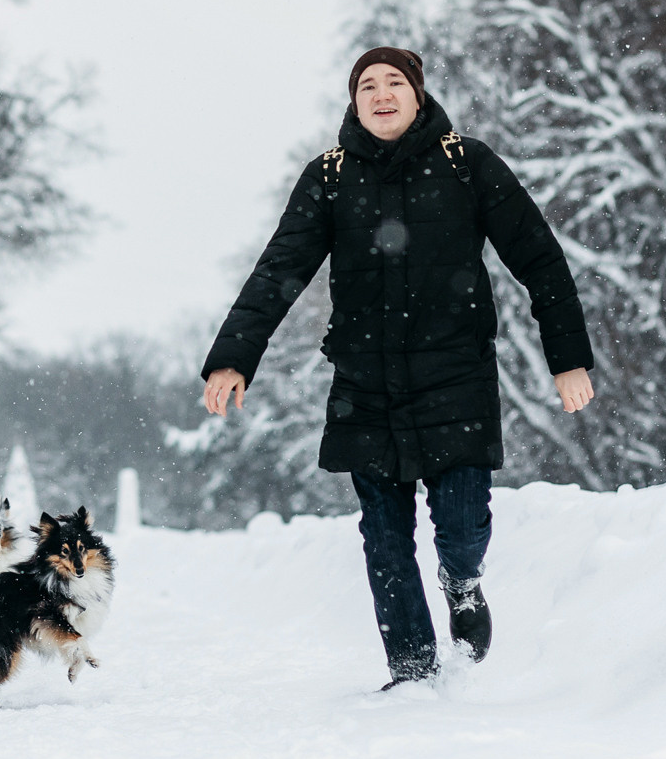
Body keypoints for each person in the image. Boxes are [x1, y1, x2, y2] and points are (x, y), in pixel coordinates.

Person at [201, 48, 595, 688]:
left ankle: (461, 583)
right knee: (385, 540)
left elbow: (540, 258)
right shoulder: (328, 176)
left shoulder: (466, 163)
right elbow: (279, 271)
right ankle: (411, 672)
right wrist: (233, 358)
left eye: (394, 84)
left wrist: (568, 357)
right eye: (367, 86)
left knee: (462, 528)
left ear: (417, 95)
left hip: (457, 378)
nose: (381, 95)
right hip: (366, 384)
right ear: (353, 101)